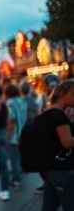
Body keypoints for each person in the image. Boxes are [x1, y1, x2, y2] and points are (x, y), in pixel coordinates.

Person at [37, 80, 74, 210]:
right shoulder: (59, 116)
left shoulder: (48, 111)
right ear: (62, 95)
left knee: (49, 206)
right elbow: (67, 142)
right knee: (70, 205)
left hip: (50, 168)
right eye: (73, 95)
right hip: (62, 169)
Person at [4, 85, 27, 190]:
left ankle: (16, 180)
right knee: (17, 157)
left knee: (14, 158)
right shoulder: (22, 101)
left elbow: (11, 118)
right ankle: (17, 175)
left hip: (14, 134)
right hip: (23, 133)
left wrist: (8, 134)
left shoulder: (10, 102)